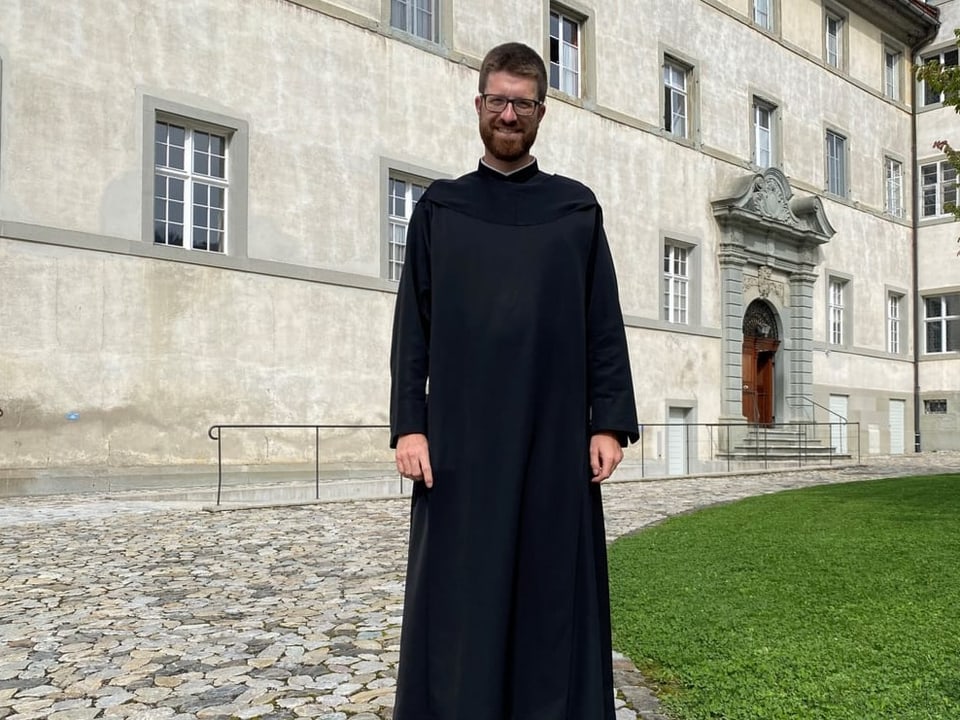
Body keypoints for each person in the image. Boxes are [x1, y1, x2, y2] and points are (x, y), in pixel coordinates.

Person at [389, 41, 639, 720]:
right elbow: (412, 322)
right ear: (478, 105)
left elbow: (602, 322)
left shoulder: (575, 210)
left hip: (554, 438)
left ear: (541, 112)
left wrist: (609, 421)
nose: (507, 113)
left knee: (551, 593)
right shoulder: (441, 208)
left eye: (521, 103)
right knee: (461, 593)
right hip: (460, 443)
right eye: (497, 100)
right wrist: (409, 422)